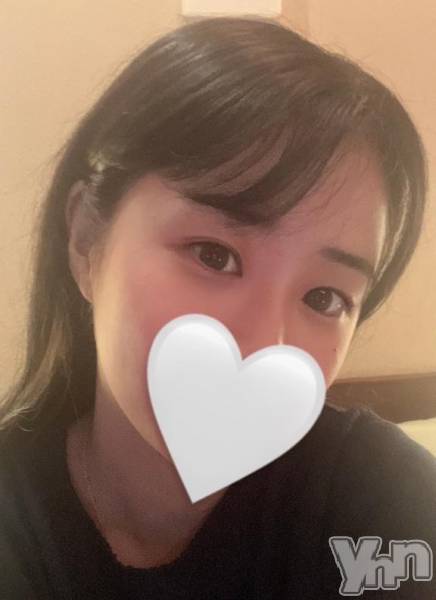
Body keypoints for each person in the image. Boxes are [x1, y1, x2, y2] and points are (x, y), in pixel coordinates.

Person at [0, 15, 435, 599]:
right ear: (85, 240)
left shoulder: (386, 499)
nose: (262, 346)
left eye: (324, 297)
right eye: (213, 254)